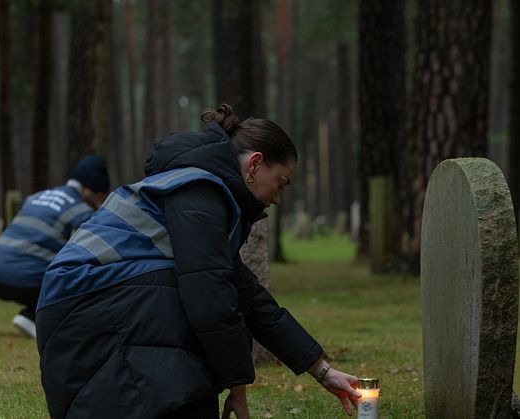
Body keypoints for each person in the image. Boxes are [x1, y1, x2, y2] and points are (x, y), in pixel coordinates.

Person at [35, 105, 361, 419]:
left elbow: (249, 298)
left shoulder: (202, 193)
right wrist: (238, 385)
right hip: (84, 302)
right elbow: (210, 299)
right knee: (194, 296)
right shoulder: (198, 191)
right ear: (256, 164)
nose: (277, 197)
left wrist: (322, 370)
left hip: (103, 298)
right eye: (282, 181)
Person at [0, 156, 110, 338]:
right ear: (89, 190)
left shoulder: (35, 197)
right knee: (81, 271)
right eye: (100, 196)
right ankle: (35, 317)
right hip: (23, 281)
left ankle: (30, 313)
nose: (100, 203)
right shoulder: (82, 212)